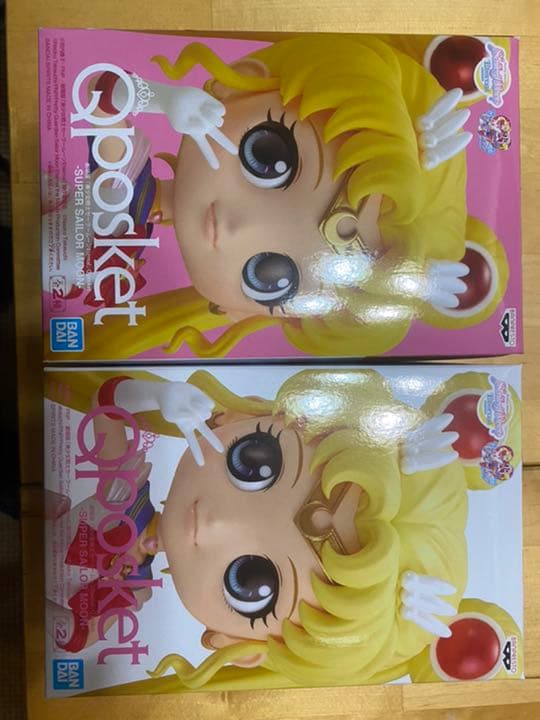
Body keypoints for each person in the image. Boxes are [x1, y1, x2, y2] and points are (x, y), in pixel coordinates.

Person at [44, 367, 522, 690]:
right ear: (242, 415)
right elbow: (107, 402)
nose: (216, 523)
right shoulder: (121, 486)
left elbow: (66, 638)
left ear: (240, 647)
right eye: (254, 461)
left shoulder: (126, 600)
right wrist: (160, 396)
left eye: (251, 582)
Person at [46, 34, 510, 358]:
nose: (236, 228)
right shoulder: (126, 182)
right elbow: (102, 94)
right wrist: (166, 99)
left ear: (233, 310)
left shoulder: (122, 257)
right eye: (266, 156)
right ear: (245, 81)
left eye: (271, 277)